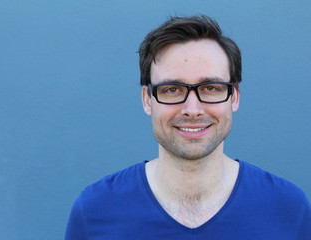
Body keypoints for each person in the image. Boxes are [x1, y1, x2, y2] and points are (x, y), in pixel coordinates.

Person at [65, 15, 311, 239]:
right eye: (172, 89)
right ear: (146, 99)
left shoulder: (289, 208)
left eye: (211, 88)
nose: (192, 109)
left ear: (234, 96)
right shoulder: (95, 210)